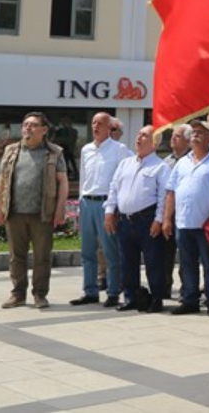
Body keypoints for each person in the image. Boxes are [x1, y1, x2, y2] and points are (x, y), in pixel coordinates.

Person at [0, 112, 68, 309]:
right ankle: (18, 294)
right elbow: (1, 181)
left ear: (44, 130)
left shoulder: (54, 152)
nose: (28, 128)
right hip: (15, 212)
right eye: (26, 125)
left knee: (42, 256)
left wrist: (60, 210)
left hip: (42, 213)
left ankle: (40, 294)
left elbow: (63, 183)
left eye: (33, 125)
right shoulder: (11, 151)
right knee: (16, 256)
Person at [163, 119, 209, 316]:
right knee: (187, 265)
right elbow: (171, 192)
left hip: (206, 225)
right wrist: (166, 219)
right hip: (183, 223)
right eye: (194, 132)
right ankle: (190, 300)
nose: (196, 134)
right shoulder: (182, 162)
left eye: (201, 132)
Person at [103, 126, 170, 313]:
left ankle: (157, 298)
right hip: (125, 220)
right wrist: (109, 211)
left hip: (147, 220)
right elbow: (113, 188)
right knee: (127, 262)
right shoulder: (125, 163)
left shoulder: (160, 166)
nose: (139, 137)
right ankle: (130, 297)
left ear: (154, 142)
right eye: (138, 134)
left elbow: (163, 197)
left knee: (153, 262)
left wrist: (158, 220)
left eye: (144, 135)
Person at [71, 112, 132, 307]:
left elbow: (128, 174)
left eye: (101, 123)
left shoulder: (120, 149)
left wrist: (117, 206)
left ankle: (113, 292)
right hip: (87, 202)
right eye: (93, 123)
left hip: (107, 204)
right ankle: (90, 291)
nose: (96, 126)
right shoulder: (86, 149)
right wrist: (80, 200)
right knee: (87, 251)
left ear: (109, 128)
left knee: (110, 251)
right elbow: (83, 178)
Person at [162, 123, 191, 298]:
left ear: (188, 141)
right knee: (165, 254)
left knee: (186, 256)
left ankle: (186, 290)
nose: (173, 138)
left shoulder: (192, 160)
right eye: (173, 135)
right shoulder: (166, 161)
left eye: (178, 136)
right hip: (168, 214)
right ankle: (165, 287)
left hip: (185, 214)